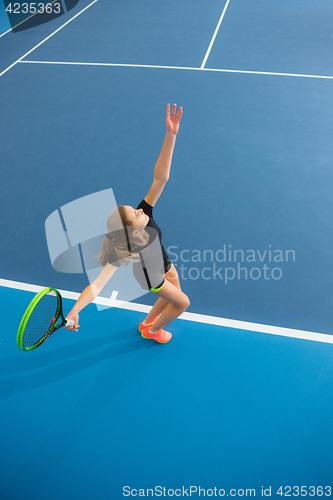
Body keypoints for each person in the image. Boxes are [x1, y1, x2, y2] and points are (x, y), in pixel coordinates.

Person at [65, 103, 190, 343]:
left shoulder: (145, 213)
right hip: (151, 277)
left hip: (163, 262)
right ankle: (152, 331)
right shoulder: (125, 249)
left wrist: (171, 135)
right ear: (132, 232)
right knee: (182, 301)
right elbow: (97, 286)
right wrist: (75, 310)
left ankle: (146, 323)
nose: (140, 210)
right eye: (135, 213)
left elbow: (160, 178)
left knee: (175, 288)